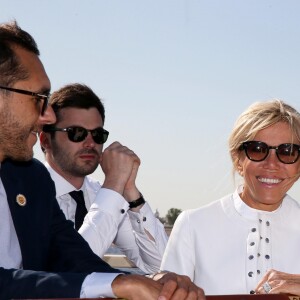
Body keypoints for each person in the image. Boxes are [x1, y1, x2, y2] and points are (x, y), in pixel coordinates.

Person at [0, 20, 205, 299]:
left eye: (98, 134)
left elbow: (74, 259)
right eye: (38, 98)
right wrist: (118, 284)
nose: (46, 116)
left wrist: (155, 281)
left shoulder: (30, 179)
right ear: (47, 140)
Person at [161, 99, 300, 295]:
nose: (272, 164)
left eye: (287, 152)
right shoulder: (193, 225)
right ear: (237, 159)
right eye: (257, 149)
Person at [39, 83, 168, 273]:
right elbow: (70, 270)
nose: (90, 143)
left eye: (98, 134)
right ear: (45, 140)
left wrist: (130, 190)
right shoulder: (28, 194)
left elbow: (161, 265)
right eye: (77, 133)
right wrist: (114, 184)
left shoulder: (103, 195)